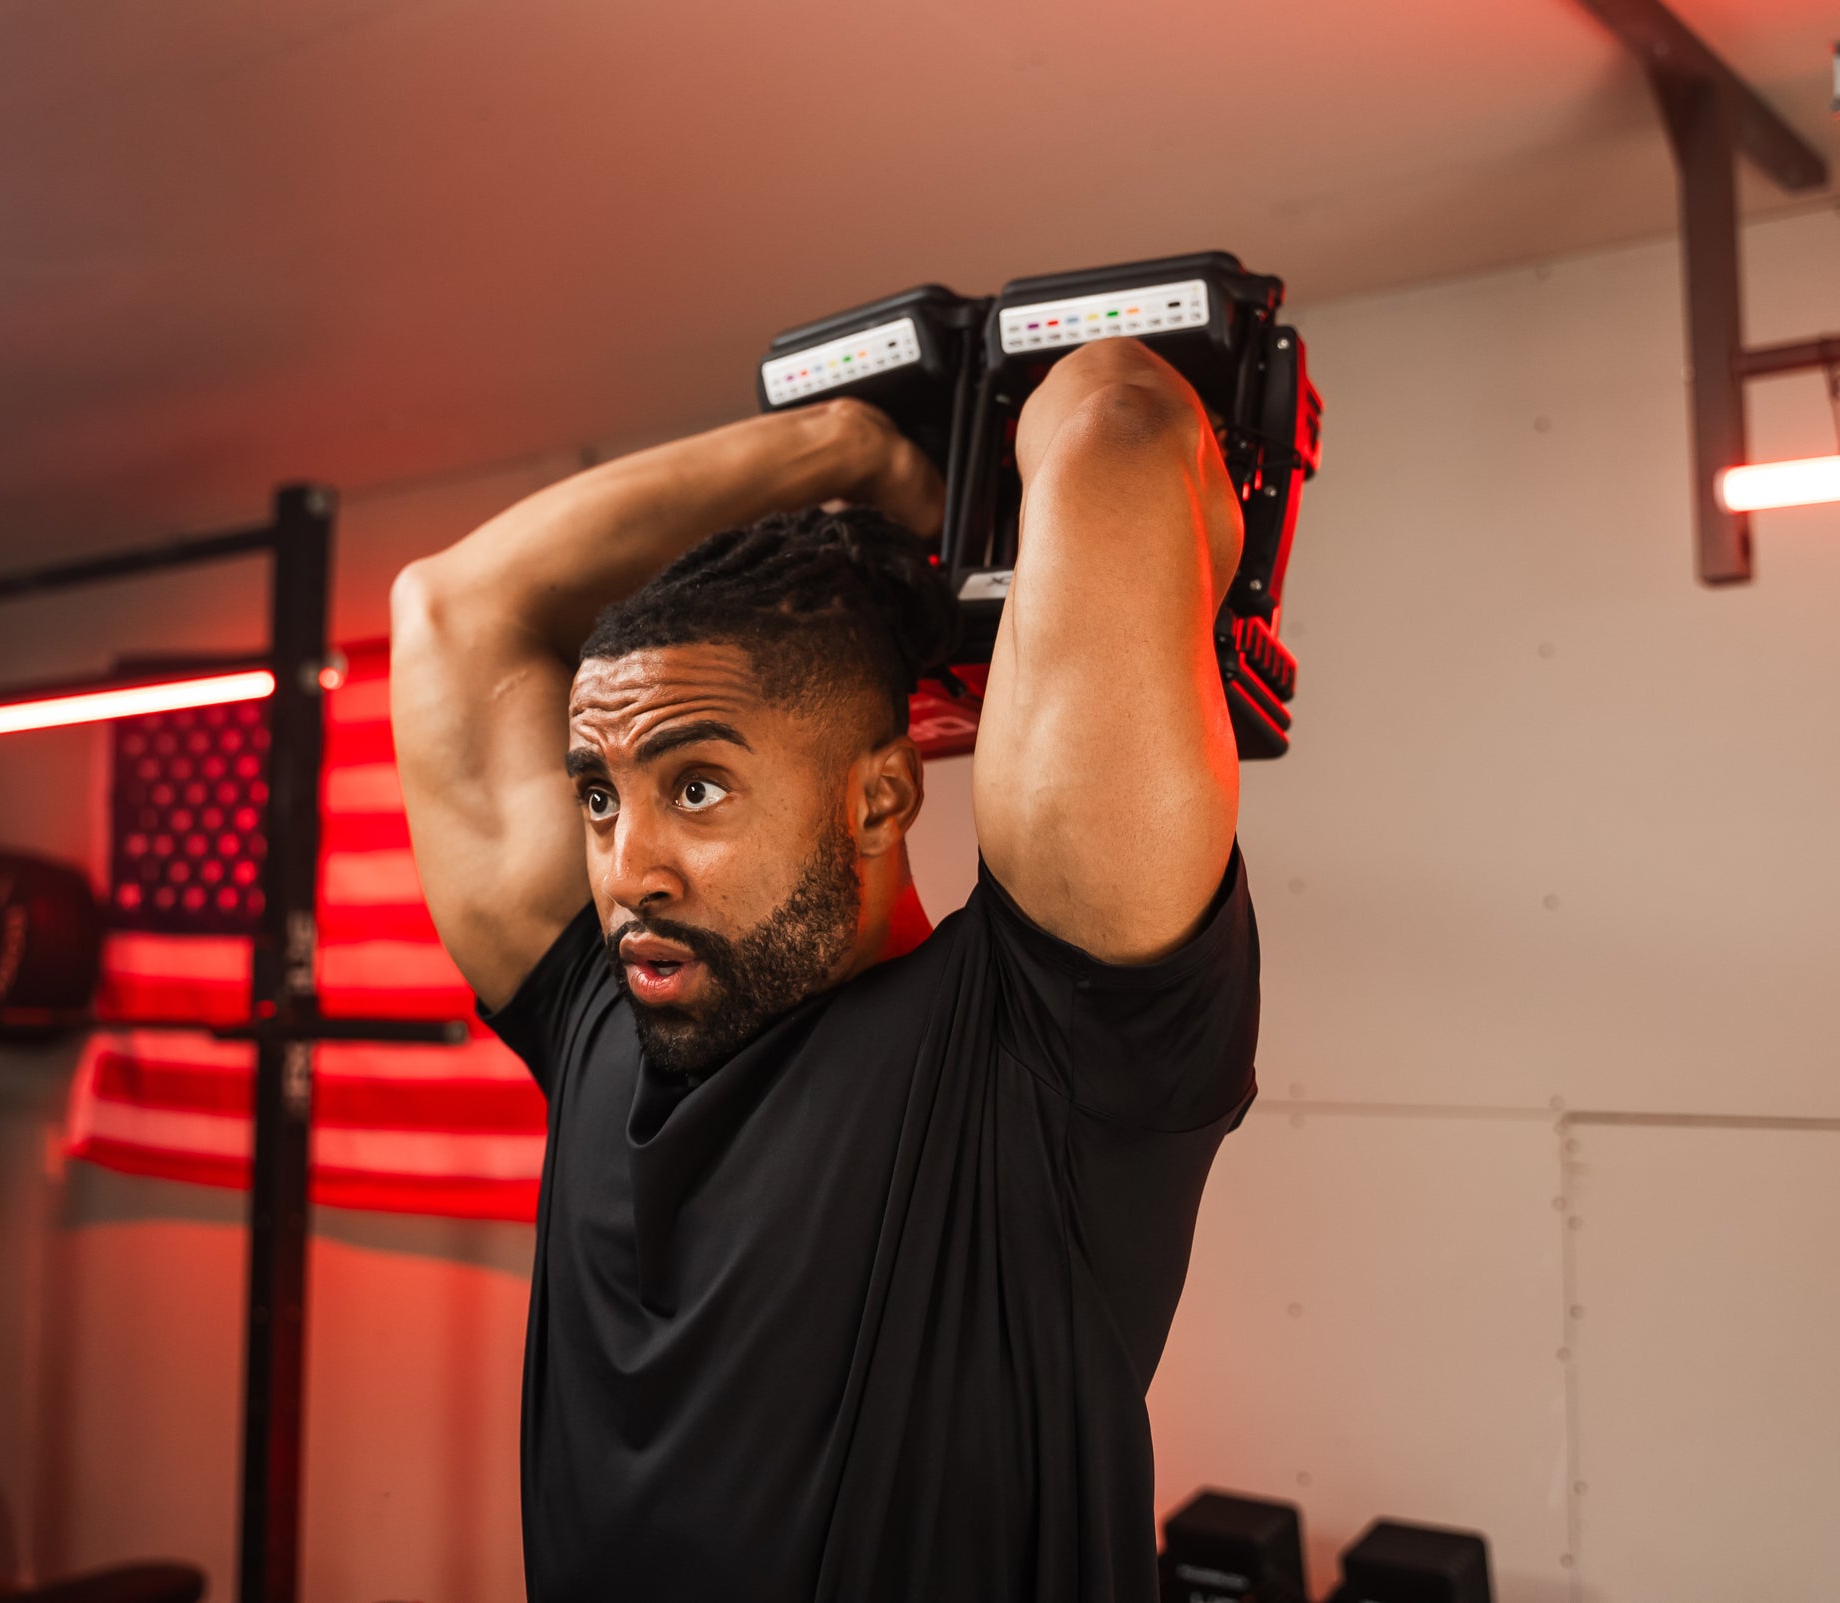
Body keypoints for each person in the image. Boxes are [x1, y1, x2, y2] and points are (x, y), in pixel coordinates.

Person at [390, 336, 1260, 1603]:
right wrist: (840, 449)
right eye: (597, 795)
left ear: (881, 797)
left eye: (695, 788)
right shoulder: (602, 1025)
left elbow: (1119, 426)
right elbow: (448, 611)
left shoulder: (1038, 1064)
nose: (630, 865)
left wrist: (947, 481)